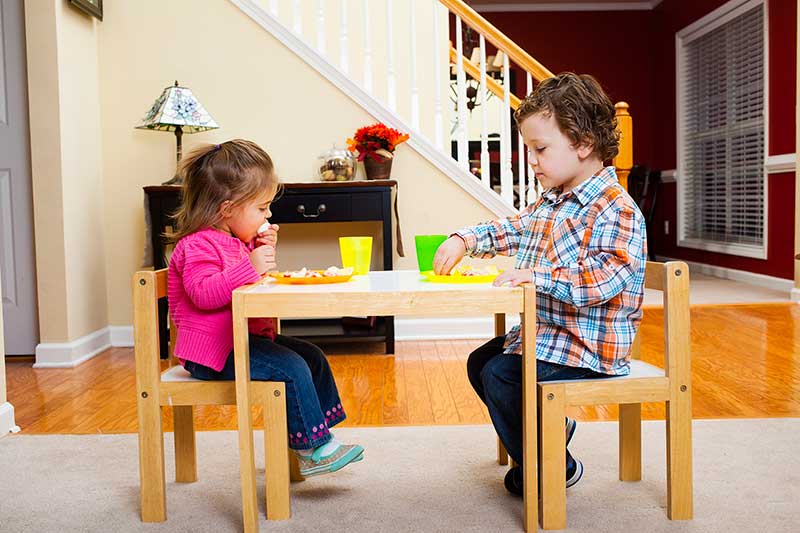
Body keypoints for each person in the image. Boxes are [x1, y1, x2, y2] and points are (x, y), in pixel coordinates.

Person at [433, 73, 647, 495]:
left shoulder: (616, 208)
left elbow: (604, 277)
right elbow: (517, 227)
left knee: (503, 375)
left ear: (584, 143)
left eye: (540, 149)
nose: (532, 159)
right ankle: (548, 436)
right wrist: (467, 238)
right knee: (481, 363)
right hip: (548, 335)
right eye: (530, 149)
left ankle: (553, 465)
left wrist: (537, 275)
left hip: (588, 345)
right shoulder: (553, 200)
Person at [167, 139, 363, 476]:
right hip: (213, 354)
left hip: (239, 342)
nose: (268, 214)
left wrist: (256, 249)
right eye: (261, 208)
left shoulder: (234, 243)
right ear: (227, 209)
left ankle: (320, 432)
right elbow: (203, 292)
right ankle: (314, 449)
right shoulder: (196, 245)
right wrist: (251, 264)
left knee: (311, 355)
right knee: (290, 367)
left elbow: (242, 283)